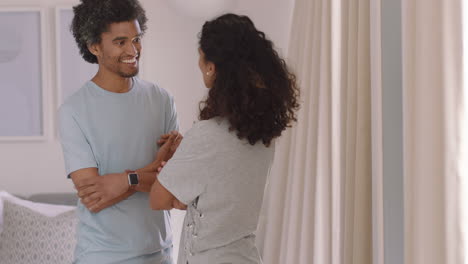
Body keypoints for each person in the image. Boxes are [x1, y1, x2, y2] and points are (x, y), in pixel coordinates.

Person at [149, 13, 300, 264]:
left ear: (211, 67)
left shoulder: (207, 135)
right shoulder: (263, 136)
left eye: (200, 56)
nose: (198, 63)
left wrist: (164, 163)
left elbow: (159, 198)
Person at [58, 0, 179, 263]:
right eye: (120, 41)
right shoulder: (73, 111)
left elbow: (173, 185)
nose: (133, 49)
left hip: (160, 253)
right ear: (94, 47)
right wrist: (155, 166)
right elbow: (95, 198)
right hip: (102, 256)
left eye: (136, 39)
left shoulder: (162, 100)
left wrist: (124, 180)